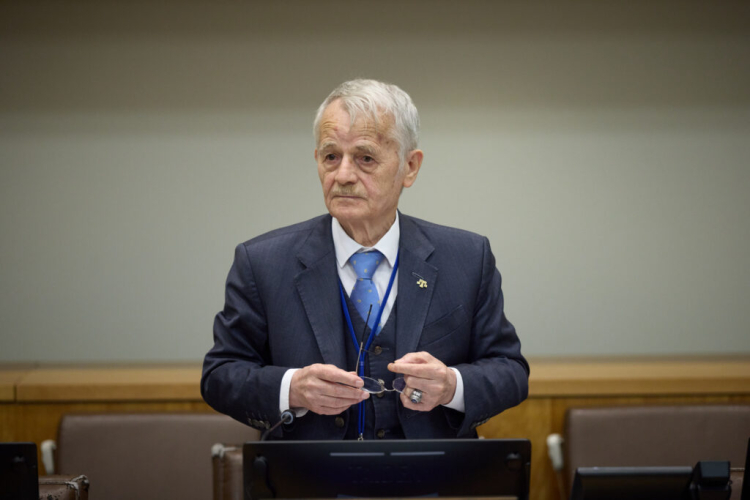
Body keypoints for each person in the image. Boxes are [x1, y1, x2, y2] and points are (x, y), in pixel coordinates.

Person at [201, 79, 528, 440]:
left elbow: (510, 371)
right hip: (309, 473)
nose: (343, 175)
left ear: (410, 167)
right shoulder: (263, 263)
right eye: (331, 157)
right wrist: (291, 388)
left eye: (365, 158)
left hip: (432, 472)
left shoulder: (466, 258)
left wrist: (452, 385)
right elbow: (220, 375)